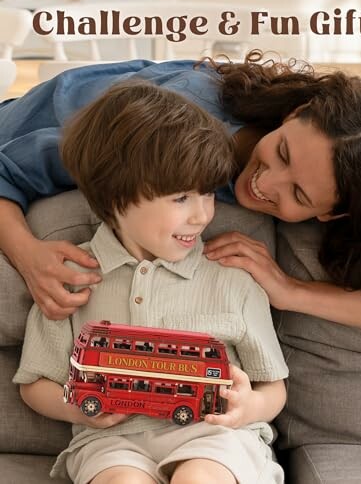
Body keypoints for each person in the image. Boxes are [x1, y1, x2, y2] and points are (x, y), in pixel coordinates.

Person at [1, 51, 361, 337]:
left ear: (332, 214)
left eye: (299, 193)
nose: (266, 183)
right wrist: (28, 254)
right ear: (294, 113)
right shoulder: (162, 137)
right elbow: (7, 165)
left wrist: (290, 291)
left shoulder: (360, 187)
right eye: (281, 151)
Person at [13, 80, 288, 484]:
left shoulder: (233, 281)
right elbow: (34, 383)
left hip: (215, 436)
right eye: (181, 199)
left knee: (199, 478)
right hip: (111, 442)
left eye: (207, 194)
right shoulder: (69, 281)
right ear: (115, 196)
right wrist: (79, 407)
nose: (202, 215)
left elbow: (273, 387)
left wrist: (248, 406)